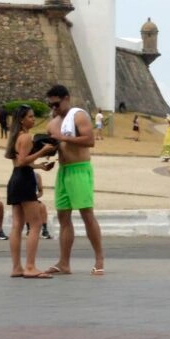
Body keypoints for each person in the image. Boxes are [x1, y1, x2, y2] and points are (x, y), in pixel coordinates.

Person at [44, 83, 105, 275]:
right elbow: (54, 146)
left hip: (79, 169)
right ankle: (64, 262)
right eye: (51, 105)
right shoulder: (52, 123)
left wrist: (64, 138)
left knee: (87, 214)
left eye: (56, 104)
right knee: (63, 217)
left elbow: (89, 140)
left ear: (67, 99)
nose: (54, 109)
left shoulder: (79, 115)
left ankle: (99, 259)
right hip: (63, 171)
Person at [4, 104, 57, 278]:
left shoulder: (15, 137)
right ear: (22, 119)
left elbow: (20, 163)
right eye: (30, 117)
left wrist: (39, 166)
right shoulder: (26, 137)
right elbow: (22, 161)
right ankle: (30, 266)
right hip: (24, 180)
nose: (33, 119)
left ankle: (16, 267)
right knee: (35, 224)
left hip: (15, 178)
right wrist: (43, 150)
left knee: (17, 225)